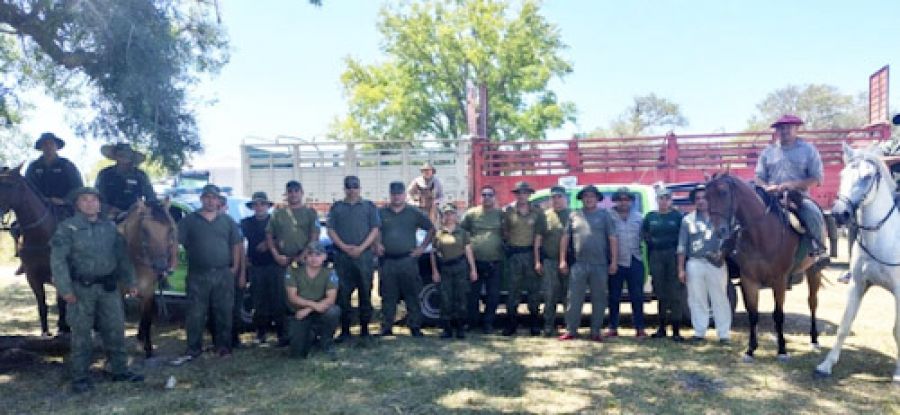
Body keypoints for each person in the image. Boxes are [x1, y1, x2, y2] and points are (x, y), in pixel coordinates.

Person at [49, 187, 143, 393]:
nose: (90, 203)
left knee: (115, 329)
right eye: (85, 200)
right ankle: (80, 377)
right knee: (81, 334)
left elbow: (122, 257)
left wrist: (131, 282)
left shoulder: (109, 227)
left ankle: (119, 370)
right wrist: (65, 289)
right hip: (81, 290)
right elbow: (58, 261)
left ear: (100, 205)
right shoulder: (67, 228)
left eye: (94, 200)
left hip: (108, 288)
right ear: (77, 204)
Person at [173, 184, 243, 363]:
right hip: (198, 274)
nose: (211, 201)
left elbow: (236, 244)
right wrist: (173, 262)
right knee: (195, 313)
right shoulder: (189, 220)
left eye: (214, 198)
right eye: (207, 197)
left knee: (224, 311)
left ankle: (223, 347)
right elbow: (175, 242)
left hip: (223, 273)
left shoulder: (227, 221)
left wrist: (235, 267)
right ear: (202, 199)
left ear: (219, 201)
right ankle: (193, 348)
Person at [755, 114, 828, 282]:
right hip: (770, 197)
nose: (785, 131)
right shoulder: (768, 152)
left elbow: (816, 178)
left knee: (813, 214)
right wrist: (766, 187)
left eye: (789, 127)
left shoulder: (808, 150)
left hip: (798, 197)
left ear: (796, 129)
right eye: (781, 128)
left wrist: (792, 185)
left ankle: (818, 251)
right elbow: (758, 176)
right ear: (777, 131)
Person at [373, 181, 434, 337]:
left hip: (408, 260)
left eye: (399, 194)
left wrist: (422, 248)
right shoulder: (381, 212)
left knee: (412, 294)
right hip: (387, 260)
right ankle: (386, 326)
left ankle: (415, 326)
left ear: (404, 195)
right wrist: (376, 244)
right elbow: (374, 230)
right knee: (388, 295)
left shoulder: (413, 212)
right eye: (394, 194)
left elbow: (431, 228)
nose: (397, 197)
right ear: (390, 195)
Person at [558, 185, 618, 342]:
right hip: (578, 263)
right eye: (586, 196)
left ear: (597, 199)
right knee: (574, 298)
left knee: (599, 299)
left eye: (592, 196)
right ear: (582, 199)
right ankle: (571, 330)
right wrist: (563, 260)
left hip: (600, 264)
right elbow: (565, 238)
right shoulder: (574, 215)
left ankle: (595, 331)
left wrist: (614, 261)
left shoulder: (605, 216)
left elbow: (612, 238)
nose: (589, 199)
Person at [265, 181, 320, 344]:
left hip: (304, 262)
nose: (293, 194)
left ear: (302, 193)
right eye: (290, 191)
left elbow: (314, 235)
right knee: (282, 298)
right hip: (283, 262)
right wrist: (276, 255)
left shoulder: (310, 213)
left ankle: (308, 335)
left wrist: (304, 255)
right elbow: (269, 235)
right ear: (286, 194)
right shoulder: (278, 213)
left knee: (306, 296)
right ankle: (284, 335)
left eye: (296, 191)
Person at [327, 175, 380, 342]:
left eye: (355, 186)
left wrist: (361, 248)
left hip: (364, 257)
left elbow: (375, 229)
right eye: (349, 187)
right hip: (342, 257)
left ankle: (365, 330)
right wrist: (344, 247)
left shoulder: (368, 207)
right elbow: (330, 230)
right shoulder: (337, 207)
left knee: (365, 292)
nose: (352, 190)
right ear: (344, 189)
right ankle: (345, 330)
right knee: (342, 294)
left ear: (360, 188)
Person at [677, 186, 731, 343]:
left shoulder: (720, 218)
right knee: (696, 298)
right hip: (695, 262)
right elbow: (682, 246)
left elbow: (728, 240)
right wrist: (681, 269)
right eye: (697, 198)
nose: (701, 201)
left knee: (720, 297)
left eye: (704, 198)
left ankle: (724, 334)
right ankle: (699, 331)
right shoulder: (687, 220)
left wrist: (723, 254)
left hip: (716, 263)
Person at [501, 181, 546, 336]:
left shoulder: (537, 212)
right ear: (516, 195)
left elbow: (539, 236)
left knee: (534, 290)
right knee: (513, 290)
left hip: (531, 254)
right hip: (514, 255)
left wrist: (537, 259)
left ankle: (534, 323)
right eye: (519, 193)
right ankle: (511, 323)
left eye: (525, 193)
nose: (522, 196)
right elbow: (504, 232)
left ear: (529, 194)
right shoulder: (508, 212)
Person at [240, 191, 284, 345]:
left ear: (267, 206)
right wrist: (244, 260)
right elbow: (241, 243)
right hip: (256, 266)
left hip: (275, 265)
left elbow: (285, 239)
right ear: (252, 207)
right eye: (256, 204)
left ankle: (281, 334)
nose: (259, 207)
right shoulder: (245, 223)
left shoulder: (276, 221)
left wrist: (269, 244)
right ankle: (260, 333)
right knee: (259, 301)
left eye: (262, 204)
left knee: (278, 300)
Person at [642, 187, 685, 340]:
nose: (664, 201)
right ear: (657, 200)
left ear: (671, 201)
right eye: (661, 198)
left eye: (667, 198)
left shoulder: (677, 216)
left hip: (673, 255)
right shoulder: (650, 217)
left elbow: (683, 237)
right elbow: (645, 234)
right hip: (656, 256)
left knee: (675, 293)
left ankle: (676, 330)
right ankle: (661, 328)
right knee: (660, 293)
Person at [285, 241, 341, 359]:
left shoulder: (330, 272)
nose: (314, 258)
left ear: (324, 257)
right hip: (299, 312)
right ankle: (311, 337)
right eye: (310, 254)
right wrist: (313, 306)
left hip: (319, 311)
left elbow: (331, 299)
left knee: (333, 311)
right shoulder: (294, 271)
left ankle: (326, 342)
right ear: (305, 257)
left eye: (318, 255)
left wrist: (309, 309)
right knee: (297, 353)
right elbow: (292, 297)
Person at [461, 185, 505, 333]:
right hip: (475, 261)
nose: (486, 198)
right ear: (480, 197)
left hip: (495, 260)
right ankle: (471, 322)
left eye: (490, 195)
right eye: (484, 195)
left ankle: (488, 323)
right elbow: (461, 232)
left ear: (494, 197)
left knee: (493, 295)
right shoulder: (471, 214)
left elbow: (507, 231)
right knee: (472, 295)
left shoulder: (500, 214)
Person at [431, 203, 478, 339]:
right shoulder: (439, 234)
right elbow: (433, 254)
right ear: (443, 217)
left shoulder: (462, 233)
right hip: (445, 268)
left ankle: (460, 328)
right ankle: (447, 329)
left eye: (451, 214)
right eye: (446, 214)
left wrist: (473, 269)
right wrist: (435, 271)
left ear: (456, 216)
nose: (449, 217)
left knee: (461, 298)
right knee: (446, 299)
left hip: (460, 268)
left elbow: (468, 251)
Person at [606, 187, 647, 338]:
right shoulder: (608, 216)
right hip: (614, 261)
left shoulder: (639, 217)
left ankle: (639, 327)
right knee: (614, 296)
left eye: (627, 199)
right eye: (620, 199)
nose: (623, 202)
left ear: (631, 201)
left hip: (635, 259)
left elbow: (645, 236)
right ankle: (613, 327)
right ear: (615, 201)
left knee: (637, 296)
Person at [537, 186, 571, 337]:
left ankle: (570, 326)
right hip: (550, 261)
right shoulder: (545, 216)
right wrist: (538, 261)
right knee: (550, 295)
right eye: (553, 197)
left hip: (570, 262)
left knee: (568, 295)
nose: (556, 200)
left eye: (559, 197)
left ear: (566, 198)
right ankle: (548, 326)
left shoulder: (573, 215)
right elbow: (538, 240)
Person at [94, 143, 157, 219]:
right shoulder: (105, 174)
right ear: (116, 157)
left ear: (131, 158)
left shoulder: (140, 175)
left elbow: (151, 197)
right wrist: (108, 208)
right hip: (109, 215)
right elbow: (96, 196)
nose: (124, 158)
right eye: (121, 155)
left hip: (135, 214)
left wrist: (144, 207)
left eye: (127, 156)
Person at [25, 132, 84, 209]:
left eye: (51, 143)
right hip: (36, 208)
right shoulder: (33, 167)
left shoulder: (67, 165)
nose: (48, 146)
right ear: (41, 147)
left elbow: (78, 188)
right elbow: (26, 188)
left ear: (57, 146)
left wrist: (64, 201)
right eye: (45, 144)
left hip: (65, 209)